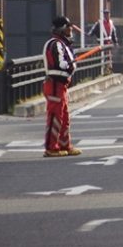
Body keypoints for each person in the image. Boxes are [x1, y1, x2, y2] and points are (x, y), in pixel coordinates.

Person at [43, 16, 82, 158]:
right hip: (54, 84)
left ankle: (65, 145)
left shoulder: (62, 44)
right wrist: (71, 63)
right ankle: (51, 148)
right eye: (68, 27)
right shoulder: (55, 44)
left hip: (61, 85)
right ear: (61, 29)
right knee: (55, 117)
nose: (70, 29)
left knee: (64, 117)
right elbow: (60, 64)